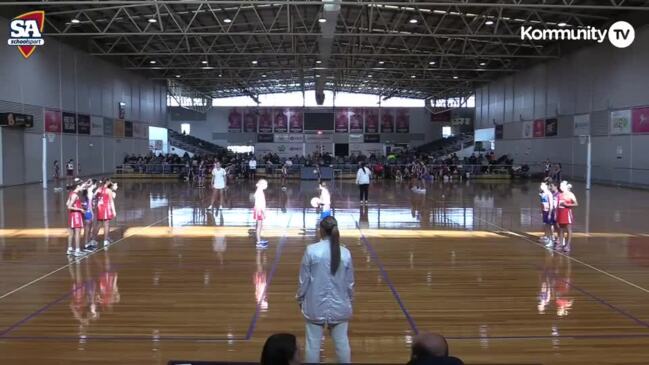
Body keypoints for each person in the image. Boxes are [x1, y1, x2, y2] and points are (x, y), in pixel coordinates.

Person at [297, 216, 354, 364]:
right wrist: (349, 300)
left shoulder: (311, 251)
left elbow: (304, 280)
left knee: (312, 344)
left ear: (321, 230)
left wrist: (300, 297)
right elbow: (350, 283)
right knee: (342, 343)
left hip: (315, 304)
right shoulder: (345, 253)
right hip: (341, 304)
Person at [556, 180, 578, 252]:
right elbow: (557, 206)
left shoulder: (570, 194)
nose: (560, 187)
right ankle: (561, 244)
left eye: (562, 186)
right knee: (561, 229)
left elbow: (576, 204)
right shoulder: (559, 195)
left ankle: (568, 245)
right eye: (560, 186)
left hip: (567, 213)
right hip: (560, 213)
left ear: (565, 186)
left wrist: (567, 205)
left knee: (568, 229)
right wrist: (556, 214)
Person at [66, 180, 86, 257]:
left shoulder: (71, 193)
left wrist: (78, 204)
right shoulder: (75, 195)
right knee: (77, 233)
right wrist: (80, 209)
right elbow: (69, 206)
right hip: (76, 216)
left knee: (71, 233)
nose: (83, 188)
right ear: (78, 186)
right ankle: (77, 250)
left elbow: (67, 203)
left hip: (71, 215)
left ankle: (69, 249)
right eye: (82, 186)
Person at [96, 179, 116, 247]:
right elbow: (111, 201)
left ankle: (93, 239)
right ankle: (105, 241)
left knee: (98, 224)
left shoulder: (98, 189)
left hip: (99, 207)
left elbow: (94, 197)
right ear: (107, 182)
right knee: (106, 224)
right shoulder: (108, 190)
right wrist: (114, 211)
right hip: (106, 207)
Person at [539, 181, 555, 248]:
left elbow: (551, 205)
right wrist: (541, 212)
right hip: (544, 211)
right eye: (541, 185)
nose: (541, 186)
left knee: (550, 226)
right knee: (546, 226)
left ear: (546, 186)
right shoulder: (542, 194)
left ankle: (551, 240)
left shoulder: (549, 194)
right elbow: (541, 204)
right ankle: (548, 238)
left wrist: (549, 213)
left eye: (542, 185)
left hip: (549, 212)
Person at [254, 179, 269, 249]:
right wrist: (264, 212)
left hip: (258, 210)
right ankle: (258, 243)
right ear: (260, 184)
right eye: (265, 184)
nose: (266, 185)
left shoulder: (259, 191)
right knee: (259, 226)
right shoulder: (259, 192)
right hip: (259, 211)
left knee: (260, 226)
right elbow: (260, 204)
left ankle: (259, 240)